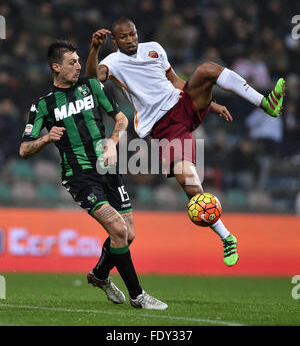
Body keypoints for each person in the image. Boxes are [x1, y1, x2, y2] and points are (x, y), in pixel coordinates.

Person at [85, 17, 286, 268]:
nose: (130, 40)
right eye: (123, 37)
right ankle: (227, 237)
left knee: (208, 69)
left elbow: (177, 82)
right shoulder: (112, 62)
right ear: (114, 40)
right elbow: (92, 78)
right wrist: (94, 48)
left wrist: (211, 106)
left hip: (183, 104)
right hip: (164, 128)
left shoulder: (155, 48)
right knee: (191, 187)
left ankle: (265, 102)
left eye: (133, 34)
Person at [19, 40, 168, 310]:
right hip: (79, 176)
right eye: (72, 62)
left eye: (78, 60)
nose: (78, 66)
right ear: (56, 67)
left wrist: (112, 143)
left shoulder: (92, 86)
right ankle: (138, 296)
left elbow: (121, 119)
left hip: (107, 168)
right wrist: (45, 139)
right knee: (118, 229)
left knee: (128, 234)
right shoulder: (43, 105)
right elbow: (24, 149)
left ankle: (99, 275)